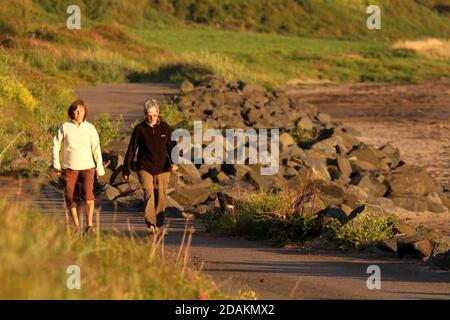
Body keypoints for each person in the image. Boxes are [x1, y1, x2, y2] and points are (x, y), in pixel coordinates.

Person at [122, 99, 178, 237]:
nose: (151, 117)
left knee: (160, 196)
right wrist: (126, 168)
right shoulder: (139, 129)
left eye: (154, 114)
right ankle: (150, 224)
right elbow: (131, 149)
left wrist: (175, 162)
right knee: (149, 194)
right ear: (145, 114)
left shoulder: (165, 127)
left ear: (158, 113)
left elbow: (172, 147)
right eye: (148, 114)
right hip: (144, 166)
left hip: (163, 167)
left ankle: (158, 225)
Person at [52, 99, 105, 234]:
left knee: (88, 196)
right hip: (69, 168)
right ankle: (76, 226)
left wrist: (99, 168)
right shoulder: (65, 127)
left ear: (85, 111)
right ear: (71, 112)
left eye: (81, 110)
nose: (78, 112)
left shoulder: (90, 128)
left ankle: (90, 225)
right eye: (75, 110)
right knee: (70, 197)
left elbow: (96, 148)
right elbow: (56, 145)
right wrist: (56, 164)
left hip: (88, 167)